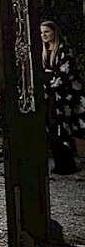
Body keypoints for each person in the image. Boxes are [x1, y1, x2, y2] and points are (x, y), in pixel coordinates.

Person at [41, 20, 84, 174]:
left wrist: (49, 80)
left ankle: (68, 164)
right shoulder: (45, 50)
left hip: (64, 96)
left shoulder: (64, 49)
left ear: (54, 31)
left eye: (47, 31)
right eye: (41, 32)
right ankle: (59, 163)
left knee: (62, 128)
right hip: (50, 95)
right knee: (52, 127)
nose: (44, 35)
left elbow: (66, 73)